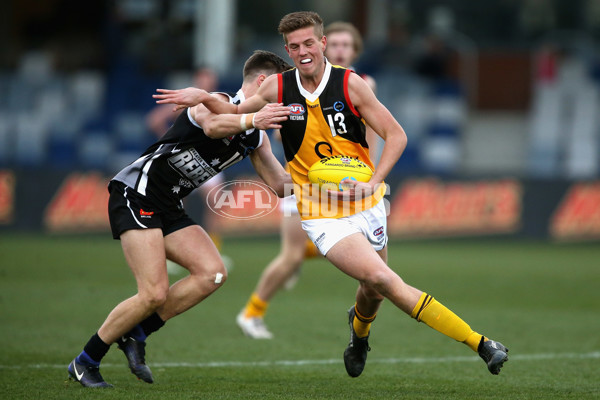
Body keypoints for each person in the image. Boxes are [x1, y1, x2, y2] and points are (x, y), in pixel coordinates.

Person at [153, 11, 509, 377]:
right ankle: (481, 343)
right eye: (294, 47)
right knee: (385, 279)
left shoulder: (352, 85)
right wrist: (206, 99)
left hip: (367, 201)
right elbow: (235, 114)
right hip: (320, 210)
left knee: (373, 291)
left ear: (322, 43)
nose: (303, 51)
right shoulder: (276, 88)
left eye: (309, 43)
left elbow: (396, 135)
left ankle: (359, 335)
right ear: (287, 51)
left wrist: (375, 182)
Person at [67, 50, 292, 388]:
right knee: (153, 293)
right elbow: (215, 126)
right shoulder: (216, 101)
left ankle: (137, 334)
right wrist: (250, 119)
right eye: (283, 87)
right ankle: (85, 361)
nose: (288, 96)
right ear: (262, 82)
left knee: (213, 273)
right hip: (137, 192)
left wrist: (330, 180)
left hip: (168, 204)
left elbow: (281, 185)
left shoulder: (256, 136)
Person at [234, 21, 380, 340]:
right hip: (306, 182)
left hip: (350, 182)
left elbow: (370, 135)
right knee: (292, 254)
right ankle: (251, 313)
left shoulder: (360, 83)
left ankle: (359, 320)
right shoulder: (293, 83)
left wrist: (372, 176)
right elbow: (281, 122)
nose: (340, 49)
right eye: (336, 44)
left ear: (354, 51)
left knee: (369, 267)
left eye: (347, 45)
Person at [146, 66, 229, 274]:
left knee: (215, 202)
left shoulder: (219, 101)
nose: (206, 82)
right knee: (175, 207)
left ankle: (214, 251)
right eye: (203, 78)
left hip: (210, 160)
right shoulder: (186, 99)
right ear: (196, 79)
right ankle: (174, 253)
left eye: (209, 78)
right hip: (186, 160)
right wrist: (170, 142)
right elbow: (154, 120)